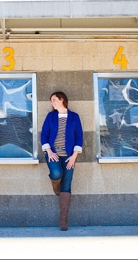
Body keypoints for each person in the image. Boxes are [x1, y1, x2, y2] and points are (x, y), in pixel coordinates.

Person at [40, 91, 84, 231]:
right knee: (56, 174)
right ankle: (55, 186)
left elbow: (79, 137)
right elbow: (44, 134)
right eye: (51, 100)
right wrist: (49, 151)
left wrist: (74, 157)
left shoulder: (74, 117)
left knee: (67, 185)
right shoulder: (51, 116)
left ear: (62, 100)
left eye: (54, 100)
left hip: (69, 156)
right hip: (53, 153)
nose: (52, 102)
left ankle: (63, 221)